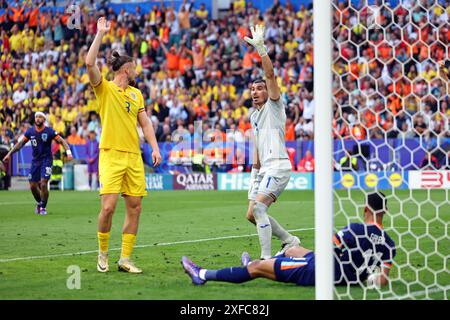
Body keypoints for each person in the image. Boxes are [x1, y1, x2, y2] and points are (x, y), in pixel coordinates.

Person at [182, 192, 396, 288]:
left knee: (256, 267)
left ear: (365, 208)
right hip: (343, 275)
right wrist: (361, 278)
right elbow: (382, 280)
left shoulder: (356, 229)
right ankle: (270, 263)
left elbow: (329, 245)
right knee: (294, 249)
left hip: (320, 272)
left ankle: (201, 274)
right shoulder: (389, 244)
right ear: (384, 211)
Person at [86, 17, 162, 274]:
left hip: (133, 157)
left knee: (135, 207)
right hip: (111, 154)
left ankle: (125, 259)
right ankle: (103, 253)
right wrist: (100, 34)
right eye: (135, 67)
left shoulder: (137, 94)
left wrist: (155, 147)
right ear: (126, 70)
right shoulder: (104, 89)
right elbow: (89, 63)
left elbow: (146, 123)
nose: (138, 71)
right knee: (107, 208)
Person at [244, 25, 299, 260]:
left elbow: (270, 75)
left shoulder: (274, 106)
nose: (255, 92)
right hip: (264, 168)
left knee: (259, 208)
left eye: (259, 89)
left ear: (268, 92)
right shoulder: (253, 115)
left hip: (278, 165)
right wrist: (253, 178)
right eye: (252, 89)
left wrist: (261, 50)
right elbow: (257, 148)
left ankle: (266, 260)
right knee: (251, 214)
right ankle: (289, 241)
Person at [1, 112, 73, 215]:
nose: (38, 119)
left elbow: (62, 141)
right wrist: (9, 154)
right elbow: (20, 144)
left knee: (43, 183)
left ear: (44, 120)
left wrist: (68, 152)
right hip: (36, 161)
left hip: (47, 160)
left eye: (40, 117)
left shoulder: (49, 131)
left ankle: (43, 207)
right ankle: (40, 203)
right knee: (33, 186)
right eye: (36, 117)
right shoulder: (30, 132)